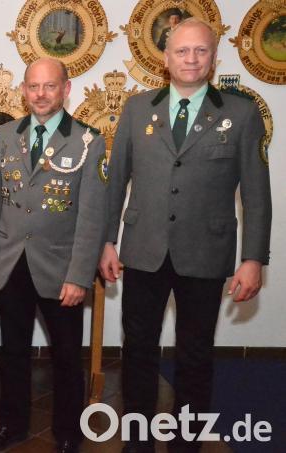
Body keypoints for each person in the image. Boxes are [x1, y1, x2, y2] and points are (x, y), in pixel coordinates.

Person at [100, 18, 271, 452]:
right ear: (165, 58)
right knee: (137, 351)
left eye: (200, 51)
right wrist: (107, 241)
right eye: (182, 51)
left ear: (214, 58)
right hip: (143, 251)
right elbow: (116, 180)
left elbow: (256, 193)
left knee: (195, 356)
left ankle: (186, 444)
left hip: (206, 253)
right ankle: (137, 441)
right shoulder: (138, 109)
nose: (191, 59)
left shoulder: (241, 112)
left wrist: (253, 258)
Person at [0, 58, 107, 453]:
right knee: (12, 351)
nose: (41, 94)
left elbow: (91, 217)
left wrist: (80, 275)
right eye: (33, 86)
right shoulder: (5, 135)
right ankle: (11, 426)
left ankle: (68, 431)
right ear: (23, 90)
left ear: (66, 90)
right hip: (11, 262)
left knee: (66, 355)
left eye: (50, 86)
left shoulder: (88, 140)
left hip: (61, 268)